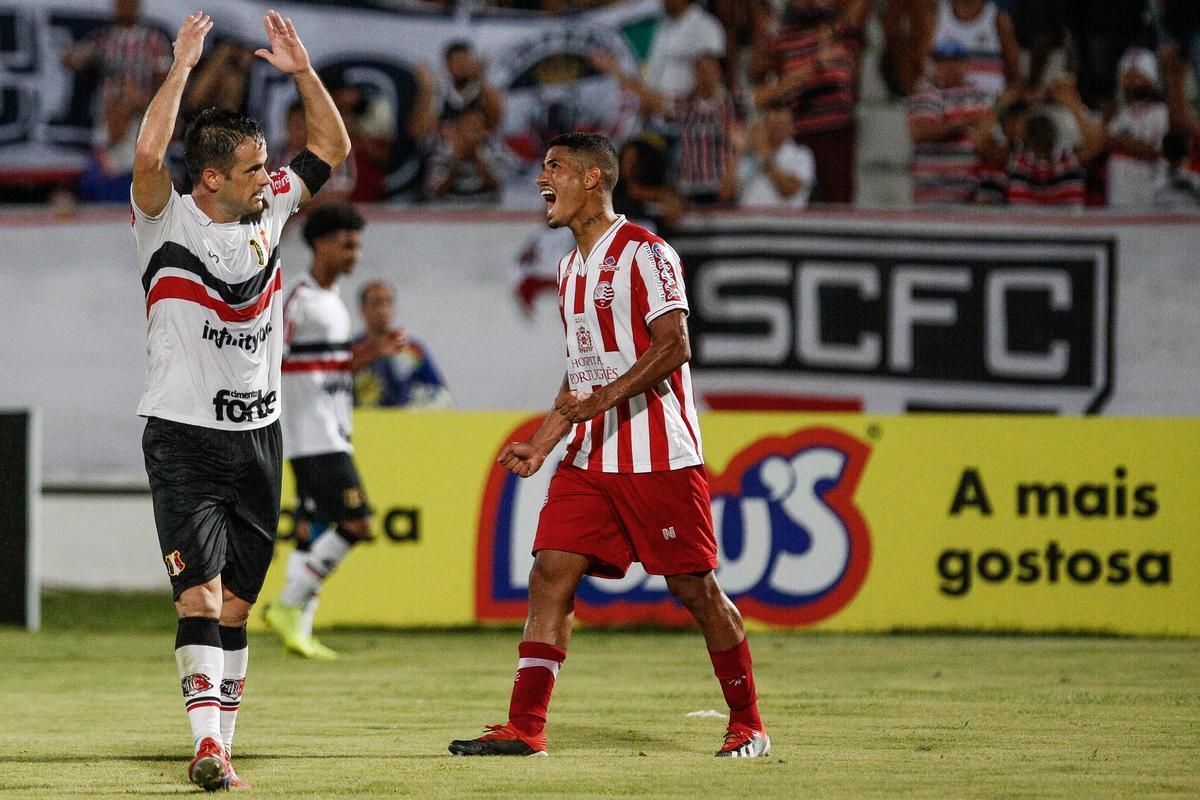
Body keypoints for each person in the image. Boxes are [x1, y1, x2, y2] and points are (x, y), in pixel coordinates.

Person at [448, 132, 769, 759]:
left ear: (593, 178)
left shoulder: (647, 253)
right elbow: (582, 368)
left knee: (695, 589)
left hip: (658, 456)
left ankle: (748, 722)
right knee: (549, 574)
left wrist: (605, 398)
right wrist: (544, 441)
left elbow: (673, 346)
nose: (543, 179)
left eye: (555, 168)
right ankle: (526, 728)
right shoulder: (569, 268)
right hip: (592, 456)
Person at [131, 11, 348, 791]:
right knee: (200, 591)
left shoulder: (272, 211)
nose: (271, 177)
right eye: (255, 169)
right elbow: (150, 152)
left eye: (268, 168)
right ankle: (208, 747)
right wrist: (183, 66)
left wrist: (301, 71)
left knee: (237, 609)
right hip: (182, 436)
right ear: (213, 177)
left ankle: (222, 741)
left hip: (260, 435)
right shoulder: (166, 221)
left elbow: (332, 148)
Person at [262, 204, 398, 660]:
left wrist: (368, 354)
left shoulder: (333, 300)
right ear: (320, 243)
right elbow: (269, 361)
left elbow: (323, 368)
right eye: (347, 244)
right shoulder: (297, 298)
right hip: (311, 433)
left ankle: (299, 630)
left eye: (357, 245)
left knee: (309, 532)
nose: (354, 254)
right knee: (357, 523)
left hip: (330, 429)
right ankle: (286, 607)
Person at [907, 41, 993, 204]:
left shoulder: (983, 96)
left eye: (955, 61)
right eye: (943, 62)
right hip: (930, 192)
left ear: (966, 64)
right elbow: (922, 131)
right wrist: (966, 122)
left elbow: (989, 137)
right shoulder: (925, 95)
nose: (949, 67)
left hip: (970, 192)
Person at [353, 281, 453, 409]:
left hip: (404, 423)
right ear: (362, 309)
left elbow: (440, 393)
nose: (383, 309)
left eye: (388, 302)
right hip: (364, 423)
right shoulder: (352, 351)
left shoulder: (413, 350)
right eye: (377, 303)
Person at [1106, 47, 1168, 208]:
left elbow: (1152, 150)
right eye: (1128, 75)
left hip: (1150, 197)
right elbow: (1103, 142)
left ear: (1151, 78)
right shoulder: (1119, 112)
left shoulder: (1162, 112)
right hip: (1118, 197)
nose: (1132, 81)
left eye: (1138, 75)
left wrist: (1116, 139)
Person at [734, 102, 816, 208]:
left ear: (792, 128)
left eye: (782, 124)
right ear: (764, 126)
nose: (776, 129)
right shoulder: (749, 155)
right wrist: (740, 152)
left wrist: (764, 154)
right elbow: (725, 192)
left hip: (785, 222)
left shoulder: (802, 155)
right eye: (772, 124)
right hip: (747, 221)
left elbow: (787, 191)